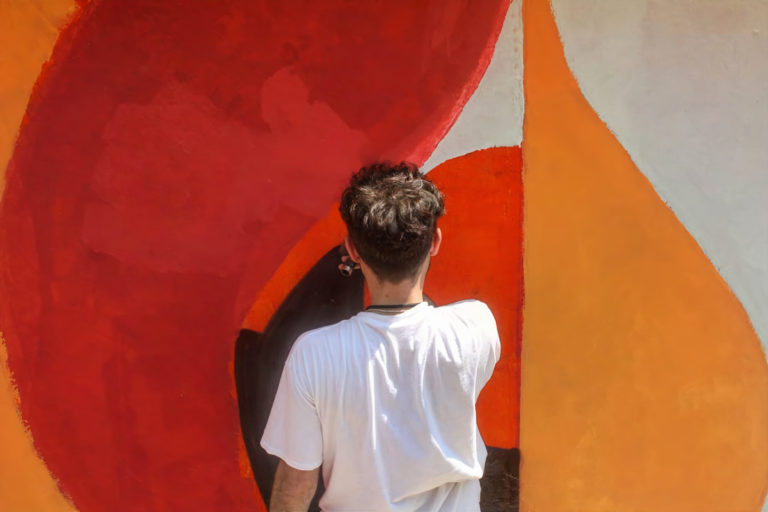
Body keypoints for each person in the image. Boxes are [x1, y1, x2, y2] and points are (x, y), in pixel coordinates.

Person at [260, 162, 501, 511]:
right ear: (435, 242)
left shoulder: (314, 354)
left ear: (353, 250)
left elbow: (296, 484)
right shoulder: (476, 326)